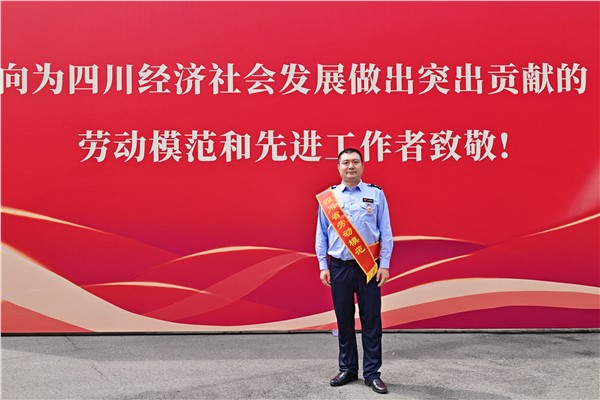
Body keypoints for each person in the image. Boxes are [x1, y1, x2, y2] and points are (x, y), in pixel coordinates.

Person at [315, 148, 393, 395]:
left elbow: (386, 232)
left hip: (368, 267)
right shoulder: (329, 198)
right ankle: (347, 369)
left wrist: (384, 264)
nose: (351, 166)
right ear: (338, 167)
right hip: (339, 266)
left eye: (355, 162)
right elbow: (321, 234)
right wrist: (323, 265)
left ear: (362, 166)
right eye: (346, 162)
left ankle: (372, 373)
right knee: (344, 320)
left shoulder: (376, 194)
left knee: (372, 321)